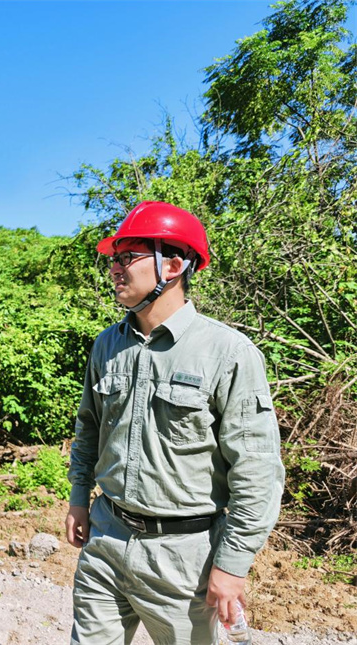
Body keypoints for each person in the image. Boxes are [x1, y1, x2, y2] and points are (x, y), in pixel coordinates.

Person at [65, 201, 285, 644]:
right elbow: (89, 427)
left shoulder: (228, 352)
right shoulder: (107, 344)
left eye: (127, 257)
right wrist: (77, 496)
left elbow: (257, 471)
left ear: (173, 264)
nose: (114, 268)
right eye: (113, 258)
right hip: (107, 537)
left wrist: (232, 564)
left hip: (185, 556)